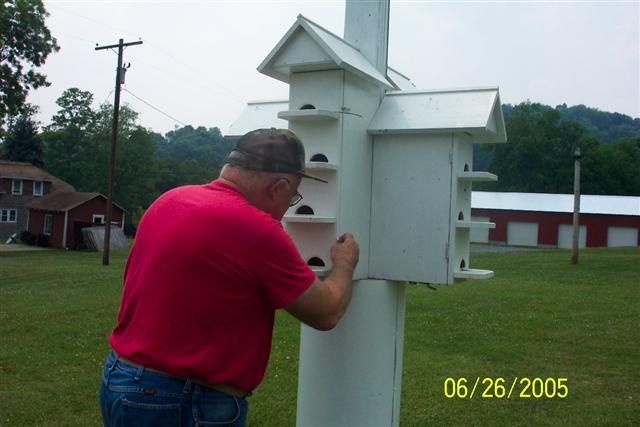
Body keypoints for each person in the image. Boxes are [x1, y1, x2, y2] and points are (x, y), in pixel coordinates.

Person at [99, 128, 359, 427]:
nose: (288, 208)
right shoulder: (257, 229)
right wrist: (344, 263)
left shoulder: (169, 200)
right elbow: (325, 312)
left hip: (120, 377)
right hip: (182, 399)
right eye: (292, 196)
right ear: (279, 186)